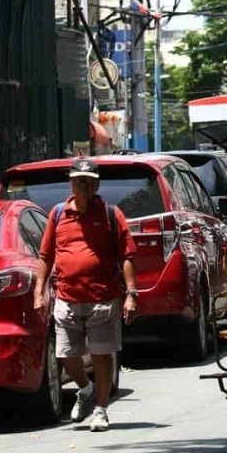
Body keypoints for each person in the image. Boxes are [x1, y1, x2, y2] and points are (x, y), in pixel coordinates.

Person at [35, 157, 138, 432]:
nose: (82, 186)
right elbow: (45, 256)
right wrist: (39, 292)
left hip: (103, 297)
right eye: (78, 180)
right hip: (67, 297)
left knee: (101, 354)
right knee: (66, 354)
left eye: (88, 181)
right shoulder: (57, 214)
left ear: (96, 185)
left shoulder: (110, 214)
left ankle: (101, 410)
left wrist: (131, 294)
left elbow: (127, 255)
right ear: (71, 183)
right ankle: (85, 388)